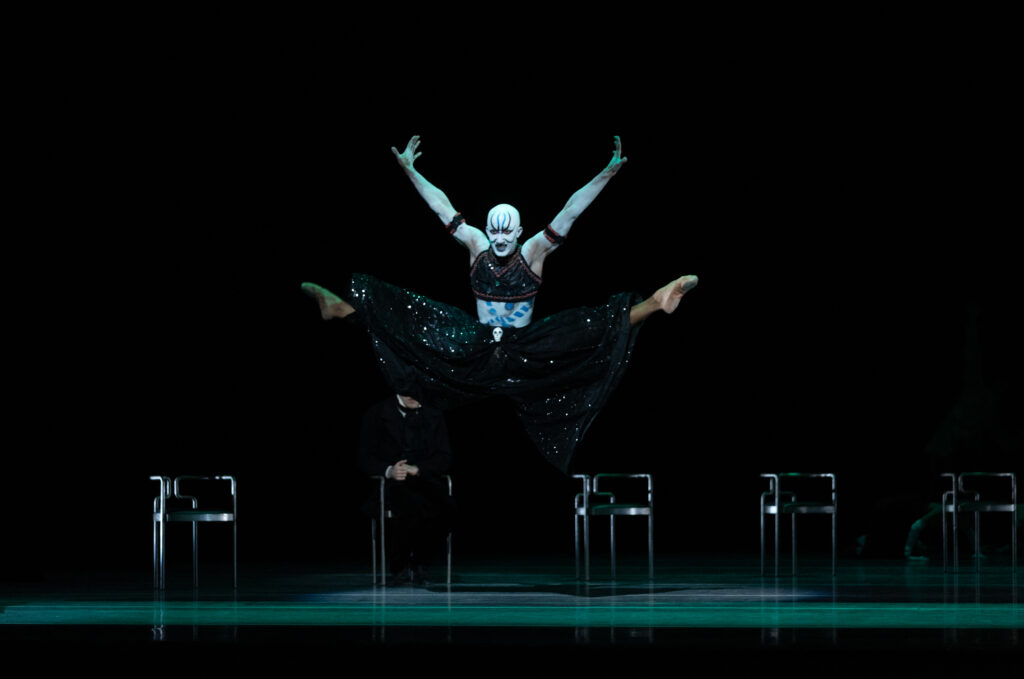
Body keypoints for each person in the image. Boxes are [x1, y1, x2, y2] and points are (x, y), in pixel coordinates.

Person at [304, 136, 698, 472]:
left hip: (525, 347)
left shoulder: (533, 251)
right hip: (477, 346)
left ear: (520, 232)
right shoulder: (475, 245)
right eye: (494, 228)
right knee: (416, 321)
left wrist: (607, 173)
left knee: (584, 326)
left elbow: (571, 210)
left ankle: (656, 302)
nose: (500, 236)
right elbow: (440, 206)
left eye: (508, 229)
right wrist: (410, 169)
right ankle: (341, 309)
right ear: (487, 229)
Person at [357, 391, 454, 585]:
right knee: (410, 508)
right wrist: (389, 470)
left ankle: (421, 562)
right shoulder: (378, 413)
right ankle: (399, 566)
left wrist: (419, 469)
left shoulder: (433, 414)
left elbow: (444, 457)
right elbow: (364, 457)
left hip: (425, 480)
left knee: (447, 509)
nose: (414, 395)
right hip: (393, 484)